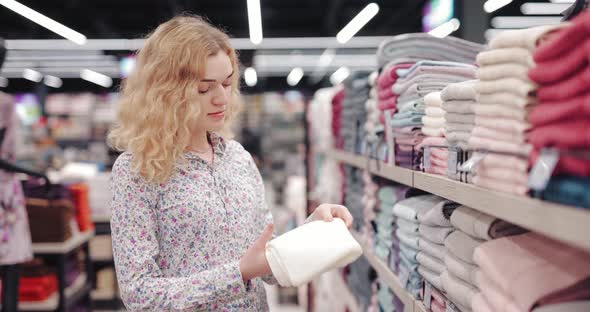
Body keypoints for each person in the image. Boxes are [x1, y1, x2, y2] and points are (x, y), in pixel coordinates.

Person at [107, 15, 354, 311]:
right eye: (204, 88)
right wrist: (238, 274)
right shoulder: (136, 170)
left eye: (226, 83)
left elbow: (265, 261)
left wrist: (313, 229)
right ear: (166, 92)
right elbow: (139, 294)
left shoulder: (238, 158)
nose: (221, 98)